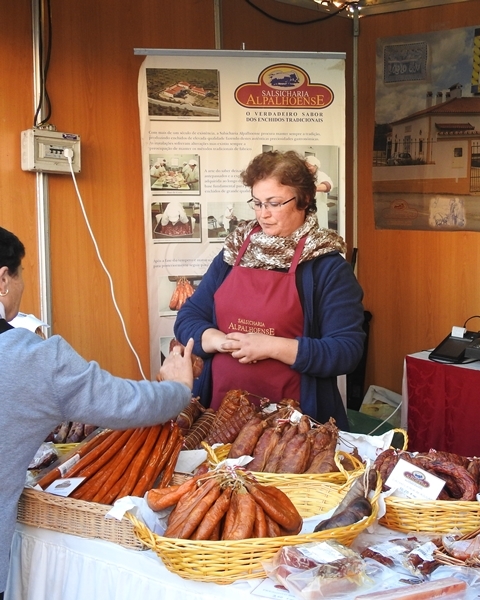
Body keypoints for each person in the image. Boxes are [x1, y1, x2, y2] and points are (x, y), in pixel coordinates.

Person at [0, 226, 195, 599]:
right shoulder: (32, 358)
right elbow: (125, 404)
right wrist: (179, 389)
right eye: (21, 273)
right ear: (3, 279)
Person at [174, 150, 365, 429]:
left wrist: (273, 347)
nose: (263, 214)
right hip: (219, 413)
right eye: (257, 203)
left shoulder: (327, 266)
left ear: (305, 200)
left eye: (275, 204)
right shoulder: (233, 253)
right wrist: (214, 339)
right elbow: (188, 317)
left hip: (295, 425)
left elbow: (346, 350)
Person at [305, 155, 333, 229]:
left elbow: (327, 185)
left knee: (320, 229)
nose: (307, 168)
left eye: (309, 166)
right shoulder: (304, 176)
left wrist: (311, 189)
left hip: (318, 209)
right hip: (306, 209)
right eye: (305, 166)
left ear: (316, 166)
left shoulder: (321, 175)